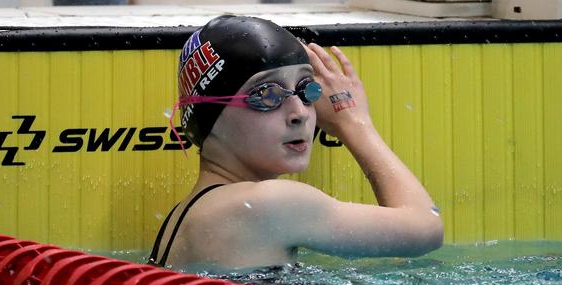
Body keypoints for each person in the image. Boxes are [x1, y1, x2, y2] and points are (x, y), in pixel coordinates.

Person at [148, 15, 443, 271]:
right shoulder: (267, 204)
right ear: (209, 116)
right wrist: (354, 122)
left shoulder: (181, 219)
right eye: (266, 95)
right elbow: (426, 228)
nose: (299, 113)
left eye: (306, 90)